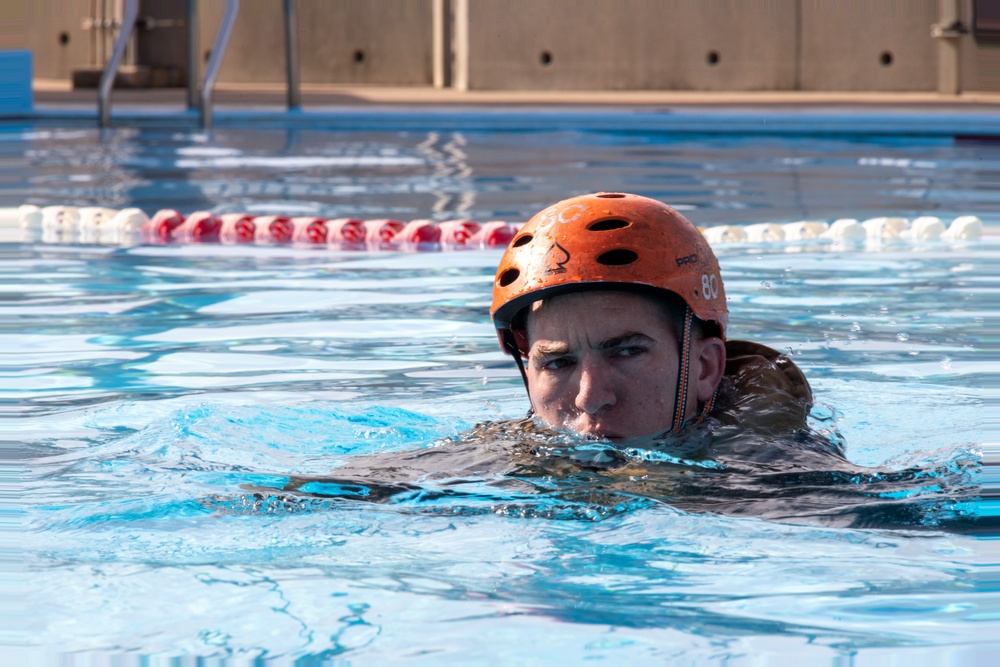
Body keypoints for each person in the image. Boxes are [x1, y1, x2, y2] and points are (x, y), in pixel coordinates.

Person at [490, 191, 822, 449]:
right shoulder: (494, 460)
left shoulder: (777, 476)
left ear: (705, 368)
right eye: (558, 363)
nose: (590, 398)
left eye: (628, 352)